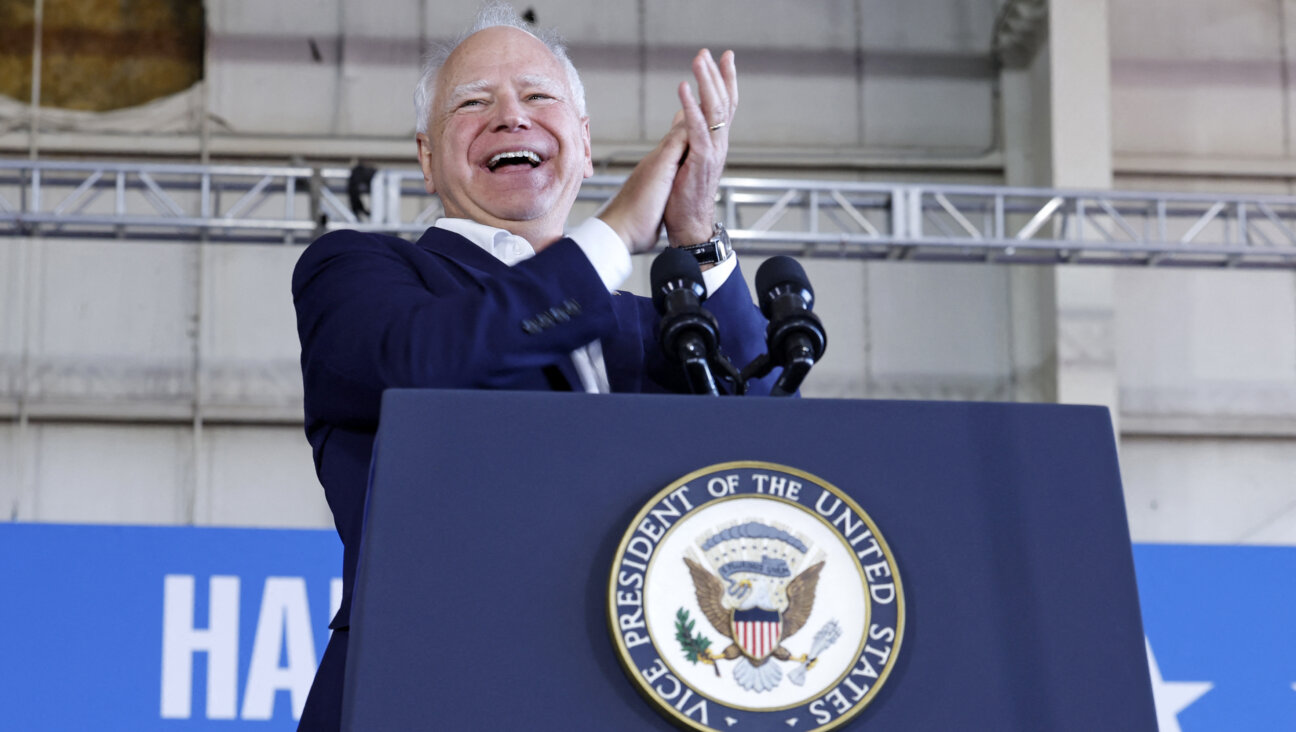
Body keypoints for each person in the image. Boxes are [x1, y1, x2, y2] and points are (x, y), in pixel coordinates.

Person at [291, 4, 780, 729]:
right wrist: (614, 230)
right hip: (423, 689)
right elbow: (428, 361)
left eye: (538, 97)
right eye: (473, 102)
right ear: (427, 158)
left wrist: (696, 231)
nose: (511, 116)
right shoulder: (361, 273)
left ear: (583, 145)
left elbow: (768, 436)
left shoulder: (653, 327)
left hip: (630, 696)